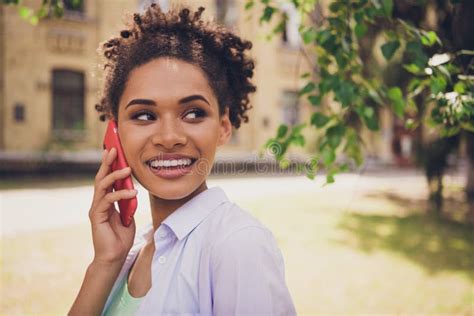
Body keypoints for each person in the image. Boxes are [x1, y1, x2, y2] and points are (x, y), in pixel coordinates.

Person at [69, 3, 296, 316]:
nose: (170, 136)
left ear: (223, 127)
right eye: (145, 115)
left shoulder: (237, 246)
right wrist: (106, 262)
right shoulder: (131, 251)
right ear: (115, 131)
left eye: (193, 113)